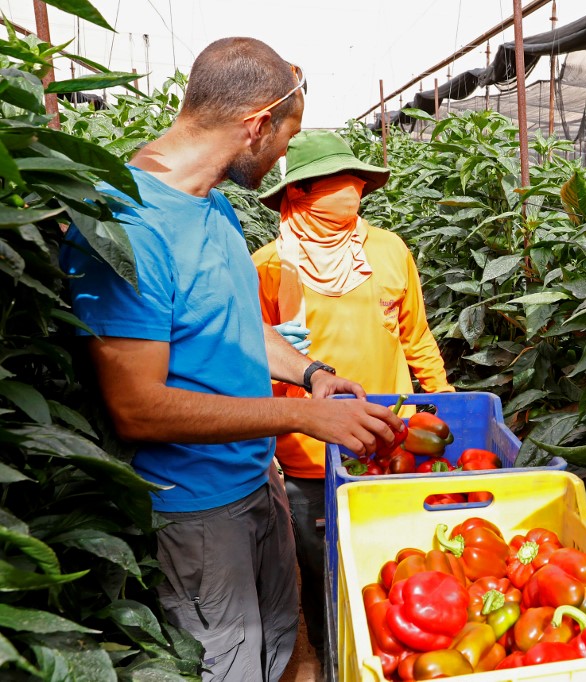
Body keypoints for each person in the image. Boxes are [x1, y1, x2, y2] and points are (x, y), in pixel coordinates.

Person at [59, 38, 403, 682]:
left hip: (255, 480)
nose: (279, 161)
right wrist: (297, 419)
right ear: (255, 125)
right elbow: (138, 407)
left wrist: (313, 378)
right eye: (284, 139)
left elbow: (241, 328)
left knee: (280, 649)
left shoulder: (212, 206)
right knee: (228, 667)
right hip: (195, 510)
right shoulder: (126, 222)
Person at [252, 130, 454, 663]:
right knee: (323, 564)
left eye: (356, 180)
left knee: (399, 554)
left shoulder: (387, 251)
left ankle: (391, 653)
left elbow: (416, 336)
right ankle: (333, 653)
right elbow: (252, 357)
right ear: (299, 193)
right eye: (336, 182)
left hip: (394, 438)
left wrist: (443, 395)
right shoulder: (271, 265)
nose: (352, 191)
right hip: (309, 454)